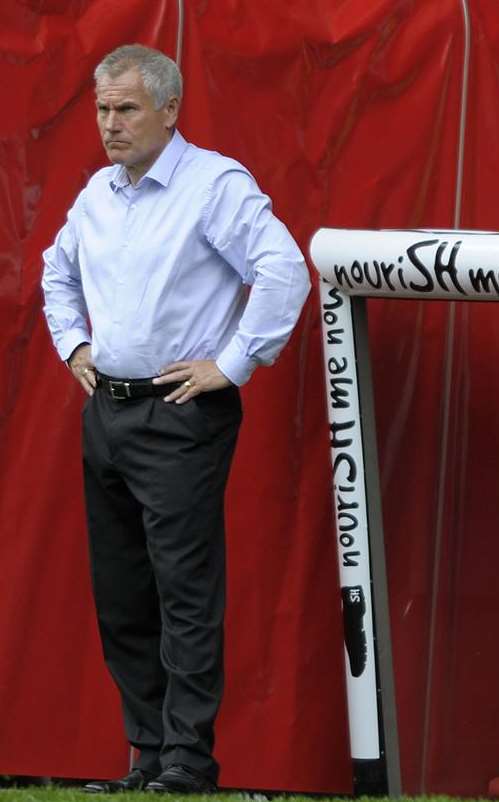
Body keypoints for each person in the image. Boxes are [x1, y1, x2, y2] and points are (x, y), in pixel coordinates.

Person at [41, 44, 310, 794]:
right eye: (101, 109)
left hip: (180, 414)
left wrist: (232, 363)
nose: (110, 124)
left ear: (169, 109)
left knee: (183, 590)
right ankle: (147, 755)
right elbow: (57, 270)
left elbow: (282, 267)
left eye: (126, 108)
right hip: (110, 411)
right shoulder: (99, 193)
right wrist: (74, 343)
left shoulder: (211, 185)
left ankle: (188, 760)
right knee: (123, 591)